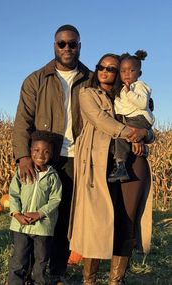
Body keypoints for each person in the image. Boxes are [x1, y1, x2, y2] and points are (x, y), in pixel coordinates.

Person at [12, 24, 94, 284]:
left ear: (79, 46)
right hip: (41, 158)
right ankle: (27, 273)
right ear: (54, 46)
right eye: (62, 43)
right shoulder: (36, 79)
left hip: (76, 158)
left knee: (64, 218)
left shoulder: (90, 79)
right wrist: (23, 156)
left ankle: (57, 272)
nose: (67, 48)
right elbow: (22, 121)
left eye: (72, 43)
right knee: (32, 218)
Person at [68, 53, 154, 285]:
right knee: (97, 222)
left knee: (126, 220)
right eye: (101, 67)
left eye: (112, 68)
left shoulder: (128, 94)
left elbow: (147, 120)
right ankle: (90, 280)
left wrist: (146, 134)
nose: (106, 71)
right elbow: (101, 121)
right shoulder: (87, 93)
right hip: (98, 165)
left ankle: (115, 280)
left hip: (133, 163)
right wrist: (133, 134)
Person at [8, 130, 62, 285]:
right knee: (19, 258)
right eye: (36, 150)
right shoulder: (21, 172)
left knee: (41, 259)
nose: (41, 155)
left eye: (46, 152)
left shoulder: (53, 176)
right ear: (30, 151)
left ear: (51, 154)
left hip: (43, 227)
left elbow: (55, 199)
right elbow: (13, 194)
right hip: (21, 226)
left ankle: (37, 282)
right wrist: (16, 214)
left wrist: (40, 214)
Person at [108, 50, 155, 183]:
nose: (127, 74)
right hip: (132, 118)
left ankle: (120, 166)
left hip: (138, 118)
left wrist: (129, 93)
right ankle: (120, 166)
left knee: (121, 135)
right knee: (120, 137)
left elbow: (142, 103)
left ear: (139, 73)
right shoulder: (123, 88)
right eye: (123, 71)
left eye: (131, 70)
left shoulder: (138, 86)